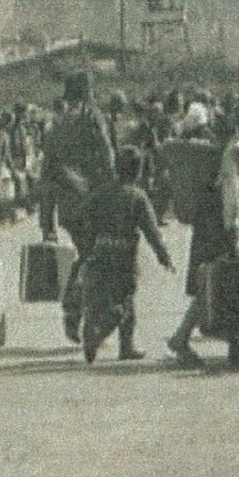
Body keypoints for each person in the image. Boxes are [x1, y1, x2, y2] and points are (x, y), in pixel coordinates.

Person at [168, 102, 239, 368]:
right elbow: (231, 191)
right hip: (222, 224)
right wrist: (235, 228)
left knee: (227, 283)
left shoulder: (233, 146)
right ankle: (181, 337)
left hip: (214, 222)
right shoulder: (237, 149)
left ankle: (234, 345)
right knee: (216, 281)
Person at [38, 71, 116, 342]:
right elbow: (108, 159)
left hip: (68, 207)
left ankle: (75, 312)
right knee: (99, 259)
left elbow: (46, 176)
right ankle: (84, 315)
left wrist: (46, 222)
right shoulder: (92, 119)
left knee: (86, 255)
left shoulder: (56, 126)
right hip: (93, 202)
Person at [76, 148, 174, 363]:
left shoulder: (101, 193)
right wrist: (163, 255)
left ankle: (123, 343)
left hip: (100, 251)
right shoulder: (137, 196)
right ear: (138, 171)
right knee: (124, 299)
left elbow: (83, 215)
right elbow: (152, 231)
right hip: (124, 254)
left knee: (103, 297)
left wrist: (88, 243)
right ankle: (99, 332)